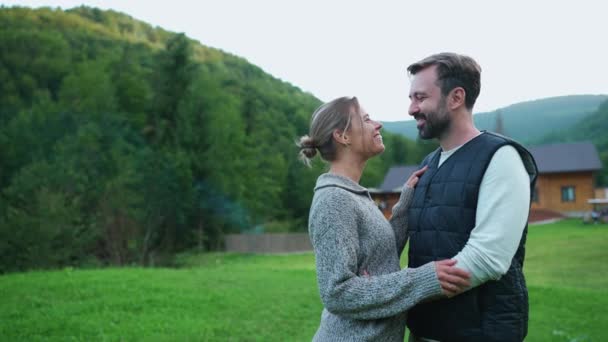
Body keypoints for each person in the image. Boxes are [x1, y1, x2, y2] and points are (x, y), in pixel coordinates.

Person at [298, 96, 471, 341]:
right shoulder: (334, 200)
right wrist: (423, 279)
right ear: (342, 136)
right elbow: (337, 292)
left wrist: (406, 202)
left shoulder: (352, 194)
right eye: (366, 119)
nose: (377, 124)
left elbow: (380, 256)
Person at [404, 52, 539, 341]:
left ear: (455, 98)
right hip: (424, 331)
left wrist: (401, 289)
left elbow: (487, 258)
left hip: (481, 332)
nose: (411, 109)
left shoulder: (501, 157)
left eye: (420, 97)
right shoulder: (428, 163)